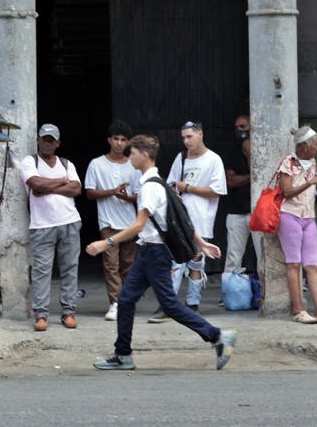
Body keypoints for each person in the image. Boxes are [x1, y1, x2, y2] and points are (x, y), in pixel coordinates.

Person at [87, 134, 237, 371]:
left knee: (168, 304)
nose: (129, 158)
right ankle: (123, 355)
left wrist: (107, 243)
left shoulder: (149, 187)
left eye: (133, 153)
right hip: (148, 252)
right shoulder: (160, 181)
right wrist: (200, 243)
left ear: (144, 155)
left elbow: (138, 225)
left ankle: (217, 336)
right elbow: (179, 218)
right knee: (125, 301)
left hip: (155, 253)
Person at [150, 120, 226, 321]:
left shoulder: (213, 160)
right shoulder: (181, 157)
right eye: (183, 137)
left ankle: (193, 303)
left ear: (200, 134)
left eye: (189, 136)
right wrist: (176, 193)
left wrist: (188, 188)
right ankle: (168, 305)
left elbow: (217, 191)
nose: (186, 141)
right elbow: (170, 186)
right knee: (175, 261)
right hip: (179, 220)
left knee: (196, 262)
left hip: (202, 219)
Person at [20, 124, 82, 331]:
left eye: (51, 140)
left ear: (58, 143)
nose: (47, 143)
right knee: (41, 271)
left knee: (70, 269)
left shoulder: (66, 163)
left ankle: (68, 312)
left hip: (70, 222)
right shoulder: (30, 161)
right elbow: (37, 186)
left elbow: (76, 188)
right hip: (41, 225)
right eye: (44, 139)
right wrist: (62, 182)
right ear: (38, 140)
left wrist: (46, 186)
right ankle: (41, 315)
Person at [276, 125, 317, 325]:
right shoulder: (288, 163)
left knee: (314, 265)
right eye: (315, 145)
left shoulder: (312, 163)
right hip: (290, 215)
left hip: (309, 217)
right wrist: (310, 183)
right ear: (304, 145)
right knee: (294, 263)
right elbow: (286, 192)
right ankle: (298, 310)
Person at [84, 120, 139, 322]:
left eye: (123, 140)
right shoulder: (97, 164)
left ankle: (126, 302)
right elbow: (89, 193)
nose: (118, 143)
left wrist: (124, 197)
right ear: (109, 139)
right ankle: (115, 304)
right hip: (107, 224)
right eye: (115, 138)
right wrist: (112, 192)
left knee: (128, 266)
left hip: (130, 224)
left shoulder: (134, 165)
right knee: (111, 266)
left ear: (127, 143)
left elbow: (139, 196)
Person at [224, 114, 260, 277]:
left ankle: (263, 293)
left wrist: (249, 151)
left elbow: (263, 177)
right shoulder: (232, 152)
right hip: (237, 212)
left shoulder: (261, 150)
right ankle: (231, 292)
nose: (238, 130)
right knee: (233, 257)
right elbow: (230, 181)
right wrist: (252, 176)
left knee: (264, 256)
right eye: (236, 128)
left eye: (242, 127)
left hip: (258, 212)